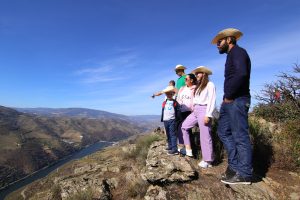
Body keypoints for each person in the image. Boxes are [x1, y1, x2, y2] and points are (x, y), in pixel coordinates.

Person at [212, 28, 252, 184]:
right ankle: (234, 167)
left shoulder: (239, 52)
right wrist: (225, 99)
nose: (217, 45)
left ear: (229, 39)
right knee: (223, 132)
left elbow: (242, 74)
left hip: (237, 100)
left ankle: (244, 174)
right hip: (229, 101)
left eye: (219, 42)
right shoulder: (231, 56)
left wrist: (229, 96)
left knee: (240, 136)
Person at [181, 66, 216, 168]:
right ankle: (188, 150)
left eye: (198, 73)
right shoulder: (199, 85)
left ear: (204, 74)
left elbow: (212, 100)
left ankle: (208, 160)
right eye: (196, 74)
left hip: (204, 110)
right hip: (195, 110)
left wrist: (208, 115)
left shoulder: (210, 85)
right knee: (184, 126)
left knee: (205, 135)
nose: (196, 75)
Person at [176, 74, 197, 154]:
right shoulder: (182, 89)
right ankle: (184, 147)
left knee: (185, 128)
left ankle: (187, 148)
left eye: (186, 79)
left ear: (191, 80)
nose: (184, 80)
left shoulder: (195, 88)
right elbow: (179, 98)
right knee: (181, 128)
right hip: (181, 111)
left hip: (190, 111)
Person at [160, 85, 181, 155]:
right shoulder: (164, 102)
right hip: (166, 120)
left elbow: (178, 111)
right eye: (167, 94)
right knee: (168, 134)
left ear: (172, 94)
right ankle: (170, 146)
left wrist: (177, 119)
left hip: (172, 120)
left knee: (173, 134)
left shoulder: (175, 102)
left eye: (170, 93)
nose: (169, 95)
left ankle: (174, 149)